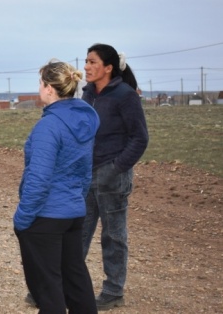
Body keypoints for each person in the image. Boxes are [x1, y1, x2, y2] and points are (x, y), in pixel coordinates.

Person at [14, 60, 99, 314]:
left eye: (40, 83)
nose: (39, 88)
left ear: (50, 88)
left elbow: (38, 179)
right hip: (72, 213)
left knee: (48, 291)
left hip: (45, 217)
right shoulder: (84, 121)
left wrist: (22, 219)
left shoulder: (48, 126)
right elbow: (85, 172)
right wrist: (75, 201)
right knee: (76, 282)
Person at [81, 43, 149, 310]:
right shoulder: (87, 93)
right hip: (86, 174)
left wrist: (116, 167)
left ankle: (113, 291)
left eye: (92, 62)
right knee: (78, 231)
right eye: (86, 61)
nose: (86, 66)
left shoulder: (125, 95)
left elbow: (140, 138)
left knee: (113, 236)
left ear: (108, 68)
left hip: (112, 176)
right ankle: (67, 285)